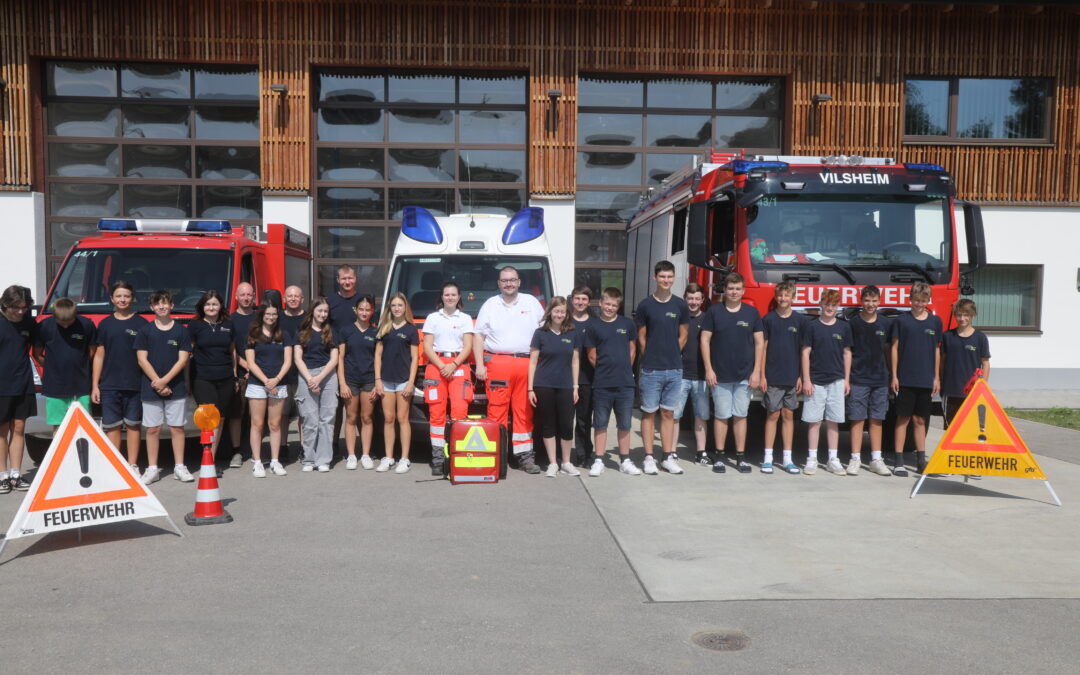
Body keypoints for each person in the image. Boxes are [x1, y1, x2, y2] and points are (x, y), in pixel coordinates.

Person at [472, 265, 545, 473]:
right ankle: (496, 455)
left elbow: (544, 331)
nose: (509, 283)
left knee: (524, 411)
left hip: (526, 363)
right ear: (498, 283)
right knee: (496, 410)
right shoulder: (490, 304)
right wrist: (479, 364)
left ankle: (525, 457)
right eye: (504, 280)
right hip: (498, 363)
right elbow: (479, 336)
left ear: (519, 282)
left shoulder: (531, 302)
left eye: (512, 280)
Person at [700, 272, 763, 474]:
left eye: (737, 289)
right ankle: (719, 457)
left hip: (745, 376)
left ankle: (740, 458)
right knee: (721, 416)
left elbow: (760, 343)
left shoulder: (752, 313)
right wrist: (709, 369)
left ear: (743, 291)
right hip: (720, 375)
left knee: (740, 416)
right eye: (730, 288)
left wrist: (757, 373)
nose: (734, 292)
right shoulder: (714, 312)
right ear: (725, 291)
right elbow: (704, 340)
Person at [634, 260, 689, 475]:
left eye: (669, 277)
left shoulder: (680, 305)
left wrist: (673, 353)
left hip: (674, 369)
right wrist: (651, 356)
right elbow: (641, 336)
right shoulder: (646, 305)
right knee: (648, 414)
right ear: (655, 278)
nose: (666, 280)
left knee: (668, 414)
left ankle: (667, 457)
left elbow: (684, 334)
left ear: (674, 278)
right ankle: (649, 457)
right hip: (651, 369)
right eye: (662, 276)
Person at [134, 290, 193, 484]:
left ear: (172, 305)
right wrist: (158, 383)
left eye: (165, 303)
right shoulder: (145, 331)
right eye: (157, 304)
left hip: (175, 387)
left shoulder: (182, 331)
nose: (162, 306)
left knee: (177, 428)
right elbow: (142, 360)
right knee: (153, 429)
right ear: (152, 307)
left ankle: (179, 466)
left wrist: (165, 381)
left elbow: (182, 360)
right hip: (150, 388)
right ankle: (152, 469)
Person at [92, 281, 149, 474]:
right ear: (112, 299)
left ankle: (132, 465)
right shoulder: (105, 324)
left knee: (133, 425)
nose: (122, 299)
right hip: (109, 385)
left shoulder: (141, 324)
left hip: (135, 383)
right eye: (118, 296)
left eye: (126, 296)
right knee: (112, 427)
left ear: (132, 298)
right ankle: (115, 466)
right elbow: (99, 355)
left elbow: (146, 357)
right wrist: (95, 385)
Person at [421, 282, 474, 476]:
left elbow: (468, 346)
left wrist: (453, 365)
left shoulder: (466, 318)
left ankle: (456, 456)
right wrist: (443, 365)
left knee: (460, 412)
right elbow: (427, 346)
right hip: (436, 366)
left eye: (453, 294)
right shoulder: (433, 318)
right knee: (436, 415)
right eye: (446, 295)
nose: (450, 297)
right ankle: (438, 458)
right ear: (441, 297)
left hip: (459, 365)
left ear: (459, 297)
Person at [890, 282, 942, 476]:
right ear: (910, 300)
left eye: (923, 301)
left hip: (925, 379)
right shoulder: (901, 321)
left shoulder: (935, 322)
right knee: (902, 419)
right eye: (916, 300)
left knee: (920, 420)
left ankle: (921, 461)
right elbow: (894, 348)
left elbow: (937, 350)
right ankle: (898, 461)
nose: (919, 304)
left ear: (928, 301)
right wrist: (894, 375)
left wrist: (936, 377)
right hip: (905, 378)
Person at [585, 287, 637, 477]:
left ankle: (625, 460)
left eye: (614, 305)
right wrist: (606, 371)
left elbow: (632, 350)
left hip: (625, 384)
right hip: (602, 384)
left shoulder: (627, 324)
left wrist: (623, 370)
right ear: (600, 303)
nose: (610, 308)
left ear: (618, 306)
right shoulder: (593, 326)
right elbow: (591, 355)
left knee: (624, 424)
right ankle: (599, 460)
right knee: (600, 423)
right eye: (607, 304)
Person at [800, 288, 852, 476]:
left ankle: (833, 459)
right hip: (816, 381)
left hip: (837, 381)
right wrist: (806, 379)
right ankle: (812, 458)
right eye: (826, 304)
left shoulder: (843, 327)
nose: (829, 308)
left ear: (837, 307)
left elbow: (847, 353)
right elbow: (805, 352)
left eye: (833, 305)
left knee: (833, 421)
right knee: (814, 421)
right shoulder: (812, 326)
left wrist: (846, 379)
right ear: (820, 305)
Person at [528, 297, 581, 477]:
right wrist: (530, 388)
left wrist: (575, 387)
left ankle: (566, 462)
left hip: (566, 385)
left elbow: (575, 361)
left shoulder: (572, 333)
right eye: (556, 311)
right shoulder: (540, 333)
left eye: (563, 312)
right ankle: (552, 463)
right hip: (544, 384)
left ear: (567, 314)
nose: (559, 314)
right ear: (550, 311)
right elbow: (533, 362)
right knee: (548, 424)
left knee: (566, 424)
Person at [846, 285, 894, 476]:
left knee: (877, 419)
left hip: (880, 379)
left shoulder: (885, 324)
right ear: (861, 301)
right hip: (858, 378)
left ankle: (876, 459)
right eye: (867, 300)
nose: (870, 304)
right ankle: (855, 458)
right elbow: (848, 351)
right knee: (857, 418)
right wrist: (848, 377)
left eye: (874, 301)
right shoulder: (853, 323)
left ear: (879, 302)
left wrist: (892, 375)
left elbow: (890, 351)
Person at [759, 282, 804, 475]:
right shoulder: (768, 319)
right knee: (772, 414)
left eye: (787, 295)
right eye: (780, 296)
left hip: (792, 377)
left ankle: (787, 459)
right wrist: (762, 375)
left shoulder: (800, 321)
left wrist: (801, 375)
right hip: (773, 376)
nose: (783, 299)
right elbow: (763, 349)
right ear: (776, 297)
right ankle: (768, 458)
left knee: (788, 416)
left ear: (792, 297)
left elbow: (803, 351)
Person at [33, 297, 97, 432]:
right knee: (58, 425)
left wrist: (80, 365)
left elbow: (92, 352)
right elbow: (37, 354)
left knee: (85, 425)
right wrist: (52, 366)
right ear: (54, 316)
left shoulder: (86, 325)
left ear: (75, 315)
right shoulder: (44, 326)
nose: (66, 325)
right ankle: (61, 452)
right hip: (55, 386)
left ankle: (82, 453)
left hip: (81, 384)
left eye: (69, 321)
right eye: (61, 322)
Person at [245, 303, 295, 477]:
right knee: (257, 424)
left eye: (274, 314)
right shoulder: (253, 334)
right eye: (268, 314)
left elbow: (288, 361)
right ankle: (257, 461)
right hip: (258, 384)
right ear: (262, 315)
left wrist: (276, 380)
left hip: (279, 383)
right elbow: (251, 362)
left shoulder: (284, 335)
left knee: (274, 424)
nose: (271, 317)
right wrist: (267, 381)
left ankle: (275, 461)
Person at [188, 289, 237, 463]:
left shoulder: (228, 324)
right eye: (208, 304)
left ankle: (212, 457)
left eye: (214, 304)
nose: (211, 307)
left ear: (220, 306)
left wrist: (235, 375)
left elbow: (232, 351)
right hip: (203, 378)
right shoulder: (195, 325)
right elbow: (189, 353)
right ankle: (207, 458)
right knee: (208, 418)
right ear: (202, 306)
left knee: (221, 418)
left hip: (225, 378)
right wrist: (187, 380)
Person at [374, 293, 419, 474]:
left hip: (403, 382)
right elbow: (377, 356)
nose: (397, 308)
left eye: (400, 305)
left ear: (405, 307)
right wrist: (377, 380)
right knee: (388, 419)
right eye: (394, 305)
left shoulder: (410, 329)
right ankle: (389, 457)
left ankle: (404, 459)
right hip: (385, 381)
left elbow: (415, 358)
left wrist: (410, 383)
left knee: (402, 419)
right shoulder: (384, 328)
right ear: (389, 308)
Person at [293, 296, 339, 472]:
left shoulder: (332, 331)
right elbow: (297, 358)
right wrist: (310, 379)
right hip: (306, 375)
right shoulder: (302, 332)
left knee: (327, 419)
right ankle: (309, 459)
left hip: (327, 375)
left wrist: (319, 378)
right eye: (320, 310)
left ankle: (323, 460)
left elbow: (334, 358)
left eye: (326, 311)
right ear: (313, 311)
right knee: (310, 420)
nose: (323, 314)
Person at [0, 286, 36, 493]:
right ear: (5, 304)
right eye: (16, 308)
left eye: (24, 307)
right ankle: (2, 475)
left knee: (20, 428)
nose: (21, 311)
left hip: (23, 382)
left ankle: (16, 473)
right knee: (2, 431)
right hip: (2, 385)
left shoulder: (29, 323)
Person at [337, 295, 378, 470]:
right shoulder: (346, 331)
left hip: (369, 380)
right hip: (351, 380)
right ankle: (351, 455)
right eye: (361, 309)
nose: (364, 312)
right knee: (351, 417)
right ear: (356, 310)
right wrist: (342, 383)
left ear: (372, 311)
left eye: (367, 309)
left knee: (367, 417)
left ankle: (366, 454)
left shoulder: (375, 332)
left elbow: (378, 359)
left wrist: (378, 383)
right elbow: (340, 358)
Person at [674, 283, 711, 466]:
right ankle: (671, 452)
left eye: (697, 299)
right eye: (690, 298)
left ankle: (701, 453)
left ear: (702, 300)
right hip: (680, 374)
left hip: (701, 376)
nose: (694, 302)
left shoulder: (707, 319)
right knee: (675, 415)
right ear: (684, 299)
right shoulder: (679, 319)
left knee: (701, 415)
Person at [941, 299, 991, 427]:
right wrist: (940, 381)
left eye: (966, 314)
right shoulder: (947, 336)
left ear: (972, 315)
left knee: (970, 428)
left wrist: (982, 387)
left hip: (972, 392)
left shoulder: (980, 338)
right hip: (950, 391)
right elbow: (942, 362)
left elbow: (985, 363)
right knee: (951, 429)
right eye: (959, 314)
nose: (962, 318)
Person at [228, 281, 257, 468]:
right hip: (240, 373)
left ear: (254, 296)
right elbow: (231, 350)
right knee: (236, 414)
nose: (246, 298)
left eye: (249, 295)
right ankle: (236, 452)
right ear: (236, 297)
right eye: (243, 295)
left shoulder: (260, 318)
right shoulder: (229, 321)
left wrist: (255, 369)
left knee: (257, 417)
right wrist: (247, 366)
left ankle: (257, 452)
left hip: (259, 374)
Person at [570, 286, 595, 467]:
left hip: (588, 378)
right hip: (564, 378)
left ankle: (584, 454)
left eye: (584, 299)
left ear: (589, 302)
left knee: (584, 419)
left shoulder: (595, 323)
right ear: (572, 299)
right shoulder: (563, 320)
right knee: (563, 419)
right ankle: (559, 454)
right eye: (577, 298)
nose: (580, 302)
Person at [281, 285, 307, 455]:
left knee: (303, 414)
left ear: (302, 299)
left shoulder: (308, 319)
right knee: (282, 414)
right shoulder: (277, 318)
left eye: (296, 296)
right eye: (289, 296)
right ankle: (282, 446)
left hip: (303, 374)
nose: (293, 299)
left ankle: (304, 447)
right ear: (284, 299)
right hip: (282, 374)